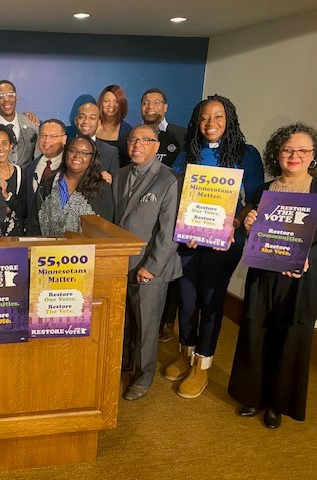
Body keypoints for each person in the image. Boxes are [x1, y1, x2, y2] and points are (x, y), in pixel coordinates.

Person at [164, 94, 264, 399]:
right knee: (187, 298)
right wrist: (187, 225)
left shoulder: (246, 154)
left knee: (211, 301)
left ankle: (202, 366)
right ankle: (185, 353)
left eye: (219, 116)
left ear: (229, 120)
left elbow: (255, 199)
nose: (211, 123)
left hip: (225, 243)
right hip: (190, 239)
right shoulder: (187, 152)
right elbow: (176, 196)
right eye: (206, 117)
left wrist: (234, 223)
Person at [228, 122, 317, 429]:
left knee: (289, 338)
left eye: (303, 150)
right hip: (264, 274)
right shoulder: (263, 190)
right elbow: (256, 235)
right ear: (276, 154)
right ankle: (252, 397)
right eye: (287, 149)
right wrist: (251, 224)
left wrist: (309, 258)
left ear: (313, 155)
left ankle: (276, 405)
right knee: (255, 332)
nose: (295, 156)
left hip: (300, 280)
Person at [111, 125, 182, 400]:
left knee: (148, 326)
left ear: (156, 145)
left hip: (151, 268)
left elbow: (169, 232)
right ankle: (126, 364)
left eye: (145, 140)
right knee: (126, 322)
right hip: (122, 265)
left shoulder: (168, 180)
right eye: (132, 140)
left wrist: (151, 267)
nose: (137, 145)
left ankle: (144, 376)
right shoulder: (119, 176)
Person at [138, 88, 186, 342]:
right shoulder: (133, 136)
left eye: (156, 102)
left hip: (170, 204)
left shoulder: (181, 135)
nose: (151, 107)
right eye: (146, 103)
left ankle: (165, 322)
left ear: (165, 106)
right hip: (140, 207)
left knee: (166, 258)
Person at [28, 136, 113, 236]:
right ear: (65, 154)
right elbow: (33, 221)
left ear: (92, 158)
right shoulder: (48, 182)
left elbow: (105, 226)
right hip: (48, 248)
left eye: (84, 153)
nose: (77, 155)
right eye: (72, 151)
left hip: (85, 250)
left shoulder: (101, 187)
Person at [0, 80, 39, 169]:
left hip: (25, 180)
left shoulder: (31, 123)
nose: (7, 99)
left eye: (10, 95)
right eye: (1, 96)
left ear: (16, 97)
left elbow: (37, 159)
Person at [23, 119, 68, 228]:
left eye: (53, 136)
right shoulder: (30, 168)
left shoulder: (70, 168)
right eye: (43, 135)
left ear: (64, 139)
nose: (46, 140)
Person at [0, 124, 25, 236]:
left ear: (11, 145)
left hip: (14, 233)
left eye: (5, 143)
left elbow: (23, 209)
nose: (1, 149)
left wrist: (6, 195)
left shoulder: (20, 173)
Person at [74, 102, 120, 183]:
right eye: (82, 117)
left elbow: (116, 186)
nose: (86, 121)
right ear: (76, 120)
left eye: (92, 118)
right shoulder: (64, 147)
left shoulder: (110, 152)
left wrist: (110, 181)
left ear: (98, 123)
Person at [95, 85, 133, 161]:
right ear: (100, 103)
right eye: (106, 101)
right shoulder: (91, 127)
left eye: (116, 101)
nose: (111, 105)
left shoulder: (129, 131)